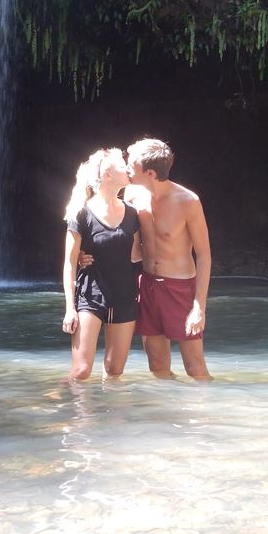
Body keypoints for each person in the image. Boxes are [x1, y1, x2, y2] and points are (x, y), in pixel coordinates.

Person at [124, 137, 212, 380]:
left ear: (150, 173)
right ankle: (169, 404)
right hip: (147, 285)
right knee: (157, 365)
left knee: (195, 368)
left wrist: (199, 307)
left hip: (180, 288)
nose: (126, 167)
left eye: (131, 164)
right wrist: (85, 255)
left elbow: (204, 255)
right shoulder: (132, 195)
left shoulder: (188, 201)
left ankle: (209, 404)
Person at [61, 148, 142, 382]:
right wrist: (69, 308)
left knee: (115, 371)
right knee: (81, 371)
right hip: (91, 295)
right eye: (122, 166)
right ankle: (63, 398)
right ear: (107, 175)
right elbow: (69, 263)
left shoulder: (132, 213)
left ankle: (109, 409)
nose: (128, 169)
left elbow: (137, 255)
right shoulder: (81, 214)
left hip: (124, 296)